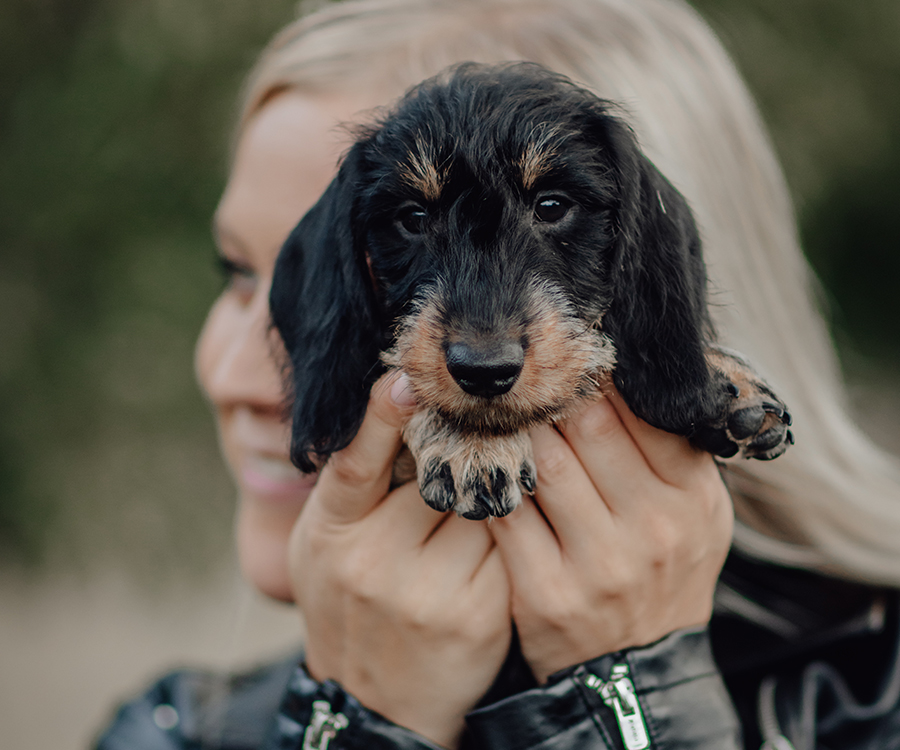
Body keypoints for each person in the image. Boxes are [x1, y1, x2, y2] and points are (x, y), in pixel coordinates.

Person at [96, 0, 900, 748]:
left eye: (550, 213)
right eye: (240, 273)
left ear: (651, 275)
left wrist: (628, 688)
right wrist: (359, 718)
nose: (239, 373)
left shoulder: (874, 698)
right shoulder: (173, 731)